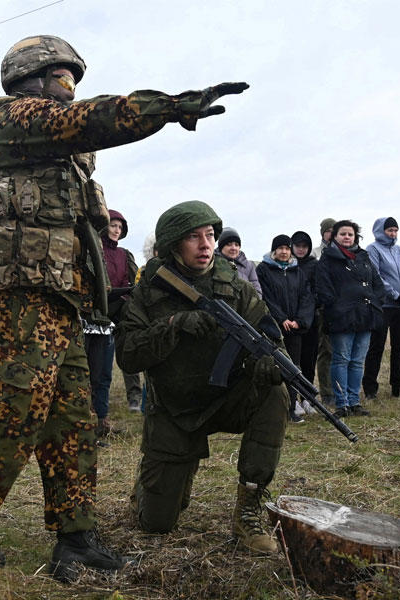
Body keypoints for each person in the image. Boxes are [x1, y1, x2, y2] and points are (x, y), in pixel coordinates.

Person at [0, 34, 248, 581]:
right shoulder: (12, 122)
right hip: (17, 298)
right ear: (37, 77)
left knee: (75, 421)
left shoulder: (61, 156)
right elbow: (93, 119)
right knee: (14, 414)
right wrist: (168, 107)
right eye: (64, 78)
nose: (70, 90)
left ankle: (76, 538)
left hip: (62, 302)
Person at [116, 201, 288, 554]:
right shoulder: (149, 290)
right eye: (193, 237)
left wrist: (270, 363)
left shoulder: (234, 284)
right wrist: (173, 326)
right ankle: (163, 474)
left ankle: (250, 508)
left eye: (210, 235)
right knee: (156, 525)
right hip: (174, 410)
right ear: (173, 244)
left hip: (226, 398)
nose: (206, 244)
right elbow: (128, 355)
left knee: (276, 391)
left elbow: (270, 336)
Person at [315, 220, 384, 418]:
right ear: (335, 236)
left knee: (357, 361)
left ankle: (355, 402)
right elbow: (323, 289)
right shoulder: (327, 259)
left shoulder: (363, 257)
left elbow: (377, 284)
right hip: (341, 318)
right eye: (343, 234)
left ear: (355, 237)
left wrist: (375, 303)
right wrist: (337, 307)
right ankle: (341, 403)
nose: (347, 237)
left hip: (365, 316)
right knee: (341, 359)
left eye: (350, 234)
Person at [84, 209, 138, 432]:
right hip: (90, 318)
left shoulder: (125, 255)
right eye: (113, 225)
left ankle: (102, 420)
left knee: (105, 373)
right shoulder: (93, 250)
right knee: (88, 372)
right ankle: (85, 421)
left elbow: (131, 283)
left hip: (113, 317)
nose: (117, 230)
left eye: (120, 227)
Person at [257, 234, 315, 423]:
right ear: (274, 250)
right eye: (280, 248)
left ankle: (292, 407)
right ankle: (275, 408)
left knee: (293, 367)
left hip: (294, 329)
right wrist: (281, 319)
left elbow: (307, 297)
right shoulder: (264, 270)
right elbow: (266, 297)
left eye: (287, 249)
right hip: (274, 328)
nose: (284, 252)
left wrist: (299, 321)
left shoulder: (297, 271)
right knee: (275, 368)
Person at [362, 217, 400, 400]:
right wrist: (395, 295)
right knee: (376, 347)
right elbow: (376, 276)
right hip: (383, 306)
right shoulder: (373, 249)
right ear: (380, 231)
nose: (393, 234)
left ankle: (398, 386)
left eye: (395, 230)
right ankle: (370, 387)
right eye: (389, 230)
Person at [290, 230, 318, 414]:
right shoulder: (287, 265)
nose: (301, 250)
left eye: (304, 246)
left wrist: (308, 313)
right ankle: (293, 399)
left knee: (309, 359)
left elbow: (316, 290)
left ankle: (308, 398)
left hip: (311, 320)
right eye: (297, 246)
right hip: (290, 321)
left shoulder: (314, 265)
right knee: (293, 361)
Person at [314, 218, 336, 403]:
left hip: (343, 309)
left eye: (334, 230)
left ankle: (340, 390)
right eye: (328, 230)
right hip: (324, 309)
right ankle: (327, 393)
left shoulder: (344, 252)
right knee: (326, 350)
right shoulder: (315, 254)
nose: (331, 233)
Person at [214, 227, 262, 297]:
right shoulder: (213, 263)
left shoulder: (249, 266)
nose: (233, 248)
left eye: (236, 245)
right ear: (221, 247)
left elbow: (257, 291)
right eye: (229, 244)